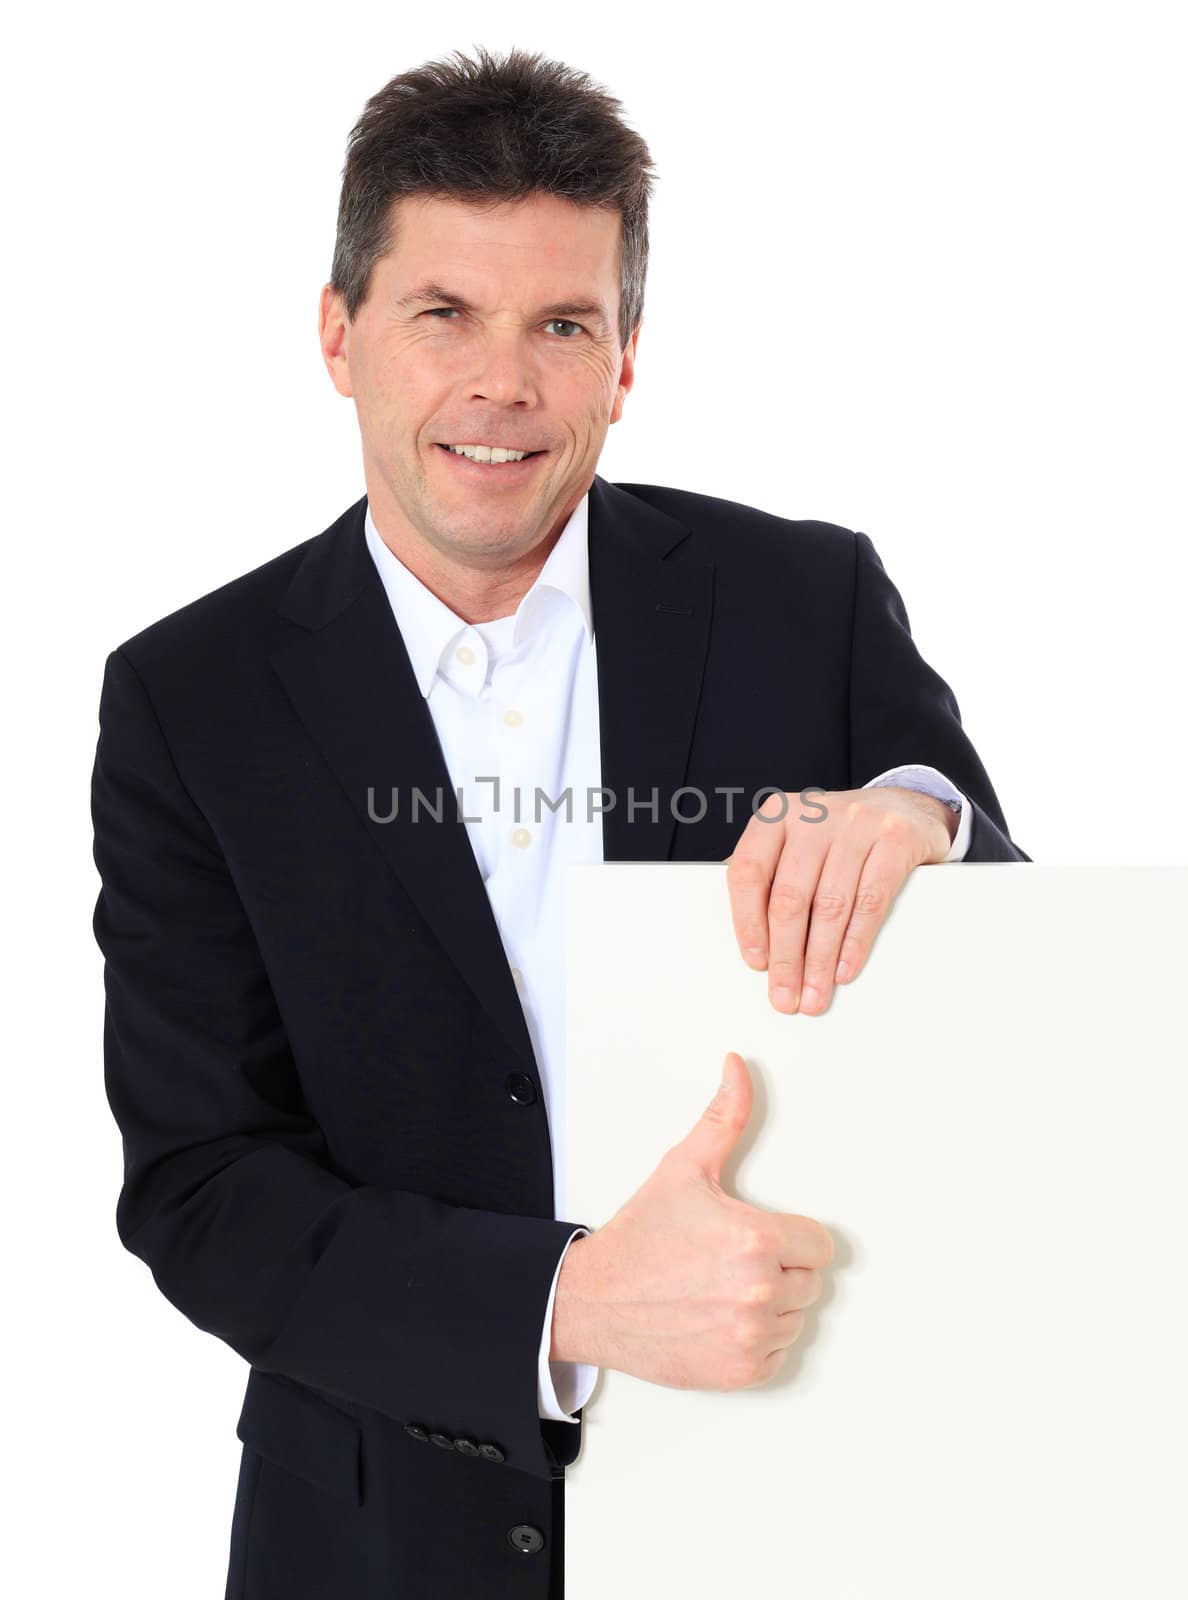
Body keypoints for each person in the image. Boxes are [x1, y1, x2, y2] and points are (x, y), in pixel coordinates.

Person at [89, 44, 1029, 1600]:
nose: (500, 385)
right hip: (379, 1539)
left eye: (561, 325)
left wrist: (928, 827)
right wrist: (565, 1306)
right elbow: (202, 1187)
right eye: (442, 313)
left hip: (805, 1503)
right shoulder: (190, 698)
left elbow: (1012, 956)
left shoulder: (810, 600)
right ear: (339, 335)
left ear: (626, 359)